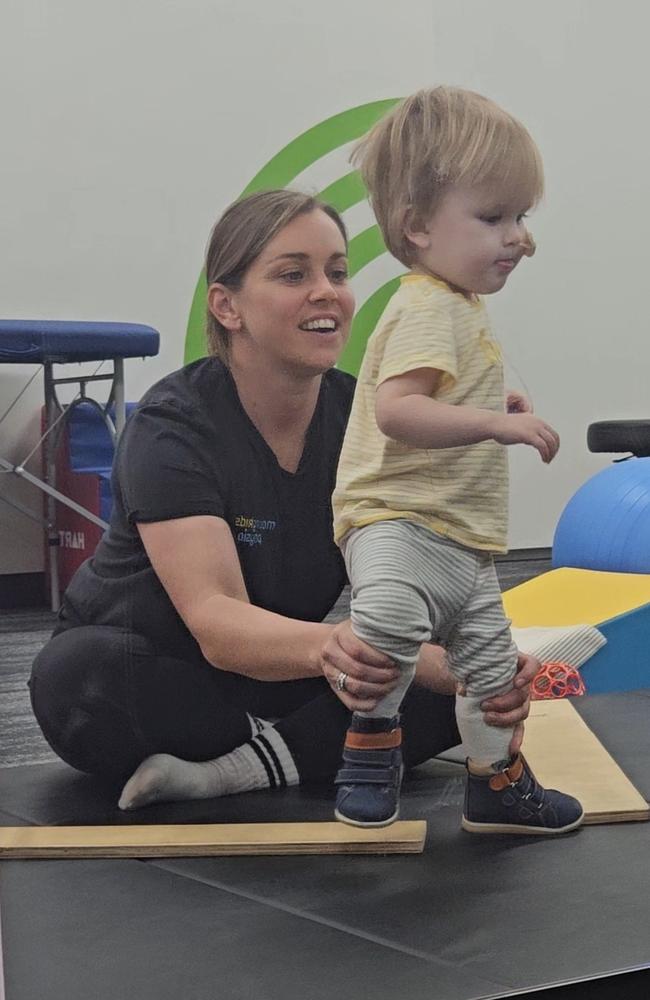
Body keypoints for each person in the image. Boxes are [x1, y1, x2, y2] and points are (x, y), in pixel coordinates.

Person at [30, 189, 535, 811]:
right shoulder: (173, 423)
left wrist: (476, 668)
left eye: (338, 272)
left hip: (283, 676)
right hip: (164, 669)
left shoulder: (367, 416)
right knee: (75, 679)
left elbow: (431, 561)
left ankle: (236, 768)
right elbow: (216, 623)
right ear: (227, 306)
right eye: (293, 274)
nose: (327, 292)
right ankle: (297, 752)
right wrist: (338, 648)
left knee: (441, 690)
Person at [331, 88, 584, 834]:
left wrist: (496, 401)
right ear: (416, 227)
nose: (517, 238)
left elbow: (442, 392)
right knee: (386, 628)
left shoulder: (459, 306)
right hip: (398, 521)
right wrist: (493, 427)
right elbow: (397, 411)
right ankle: (369, 753)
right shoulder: (425, 305)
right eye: (493, 218)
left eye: (521, 217)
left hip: (462, 539)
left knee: (492, 674)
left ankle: (495, 787)